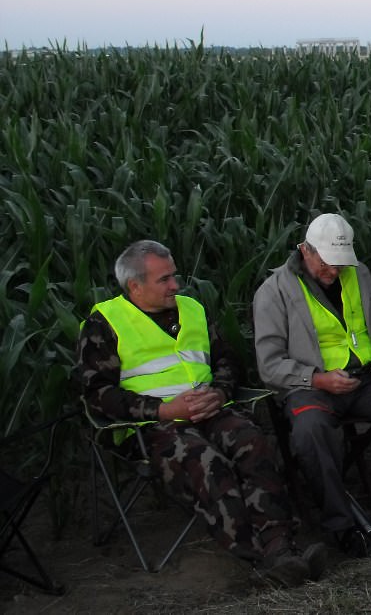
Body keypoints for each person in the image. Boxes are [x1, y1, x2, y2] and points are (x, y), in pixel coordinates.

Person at [77, 240, 325, 588]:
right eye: (164, 279)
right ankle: (266, 559)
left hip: (211, 410)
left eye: (174, 276)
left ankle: (281, 547)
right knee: (207, 462)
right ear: (135, 286)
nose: (175, 285)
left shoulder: (192, 309)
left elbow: (227, 359)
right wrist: (162, 409)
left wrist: (219, 391)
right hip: (151, 427)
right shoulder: (104, 323)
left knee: (253, 442)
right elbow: (96, 394)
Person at [252, 213, 371, 558]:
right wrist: (316, 378)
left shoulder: (359, 273)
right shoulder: (274, 292)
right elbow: (269, 364)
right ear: (305, 250)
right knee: (310, 429)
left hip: (367, 380)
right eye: (326, 263)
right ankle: (342, 524)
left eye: (340, 263)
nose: (334, 271)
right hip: (311, 386)